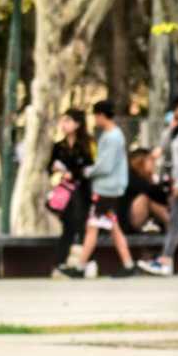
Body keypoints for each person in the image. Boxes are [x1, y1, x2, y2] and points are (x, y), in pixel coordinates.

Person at [60, 101, 137, 278]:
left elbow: (106, 166)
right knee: (113, 227)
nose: (94, 119)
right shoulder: (113, 135)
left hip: (107, 189)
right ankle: (128, 263)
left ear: (101, 115)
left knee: (92, 226)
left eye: (95, 115)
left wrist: (87, 171)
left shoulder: (112, 137)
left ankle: (80, 267)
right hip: (109, 188)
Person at [139, 94, 178, 277]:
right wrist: (172, 128)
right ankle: (165, 260)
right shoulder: (177, 131)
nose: (176, 112)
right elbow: (162, 148)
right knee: (175, 222)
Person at [48, 109, 94, 273]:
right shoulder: (59, 146)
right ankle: (61, 262)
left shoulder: (88, 144)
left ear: (78, 124)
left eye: (68, 121)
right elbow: (49, 167)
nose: (63, 125)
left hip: (83, 192)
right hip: (65, 193)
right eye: (62, 121)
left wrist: (73, 173)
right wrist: (56, 170)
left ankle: (84, 262)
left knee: (83, 225)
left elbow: (91, 168)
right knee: (68, 226)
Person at [122, 147, 170, 234]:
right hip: (125, 223)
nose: (154, 164)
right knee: (146, 199)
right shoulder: (132, 177)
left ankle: (169, 227)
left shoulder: (141, 177)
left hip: (130, 218)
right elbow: (157, 194)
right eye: (151, 160)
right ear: (140, 162)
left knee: (154, 203)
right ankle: (171, 227)